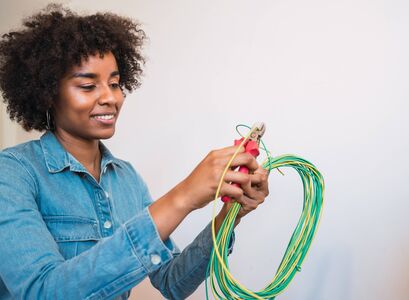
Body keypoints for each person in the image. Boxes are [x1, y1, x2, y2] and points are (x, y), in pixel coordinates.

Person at [0, 5, 269, 300]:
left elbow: (172, 282)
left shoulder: (126, 177)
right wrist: (182, 196)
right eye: (88, 85)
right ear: (47, 93)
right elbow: (41, 292)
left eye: (115, 84)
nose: (110, 97)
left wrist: (229, 216)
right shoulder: (13, 173)